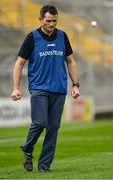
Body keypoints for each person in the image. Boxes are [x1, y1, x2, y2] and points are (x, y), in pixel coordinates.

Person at [11, 4, 80, 172]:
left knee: (53, 128)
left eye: (55, 21)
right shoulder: (32, 38)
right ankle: (28, 148)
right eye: (48, 21)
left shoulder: (63, 37)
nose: (52, 24)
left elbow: (70, 61)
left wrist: (76, 85)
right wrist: (15, 87)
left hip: (59, 89)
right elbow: (19, 62)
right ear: (40, 19)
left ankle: (44, 165)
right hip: (39, 88)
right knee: (40, 122)